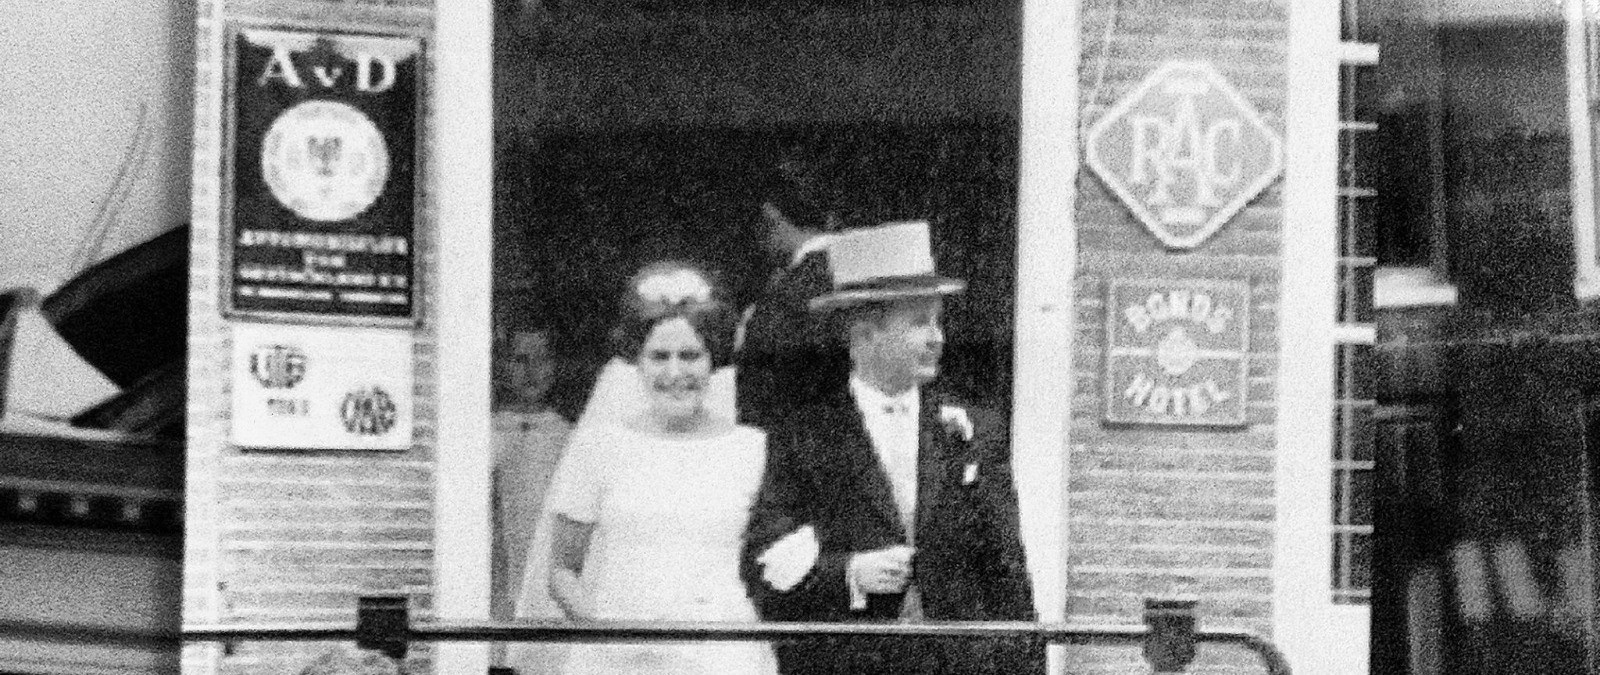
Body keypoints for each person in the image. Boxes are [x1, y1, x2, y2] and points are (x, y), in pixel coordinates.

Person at [740, 221, 1042, 675]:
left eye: (938, 321)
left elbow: (1007, 571)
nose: (937, 337)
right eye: (919, 322)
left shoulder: (973, 431)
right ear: (864, 336)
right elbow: (765, 561)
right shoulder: (807, 436)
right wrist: (850, 573)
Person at [511, 271, 779, 675]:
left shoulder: (752, 449)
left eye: (690, 356)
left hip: (721, 655)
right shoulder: (600, 447)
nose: (674, 373)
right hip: (619, 658)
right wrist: (608, 635)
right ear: (637, 362)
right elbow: (562, 573)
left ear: (712, 362)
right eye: (659, 357)